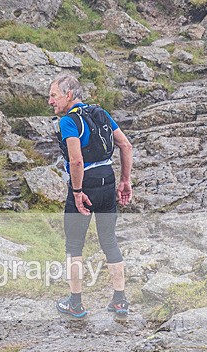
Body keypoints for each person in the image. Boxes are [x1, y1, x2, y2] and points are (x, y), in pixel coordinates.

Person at [48, 74, 133, 317]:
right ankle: (120, 301)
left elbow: (76, 160)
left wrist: (76, 192)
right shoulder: (101, 113)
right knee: (109, 240)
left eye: (53, 95)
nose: (50, 101)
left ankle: (75, 304)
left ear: (69, 95)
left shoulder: (68, 121)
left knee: (74, 245)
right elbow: (125, 145)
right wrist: (125, 180)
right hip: (108, 181)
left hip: (85, 183)